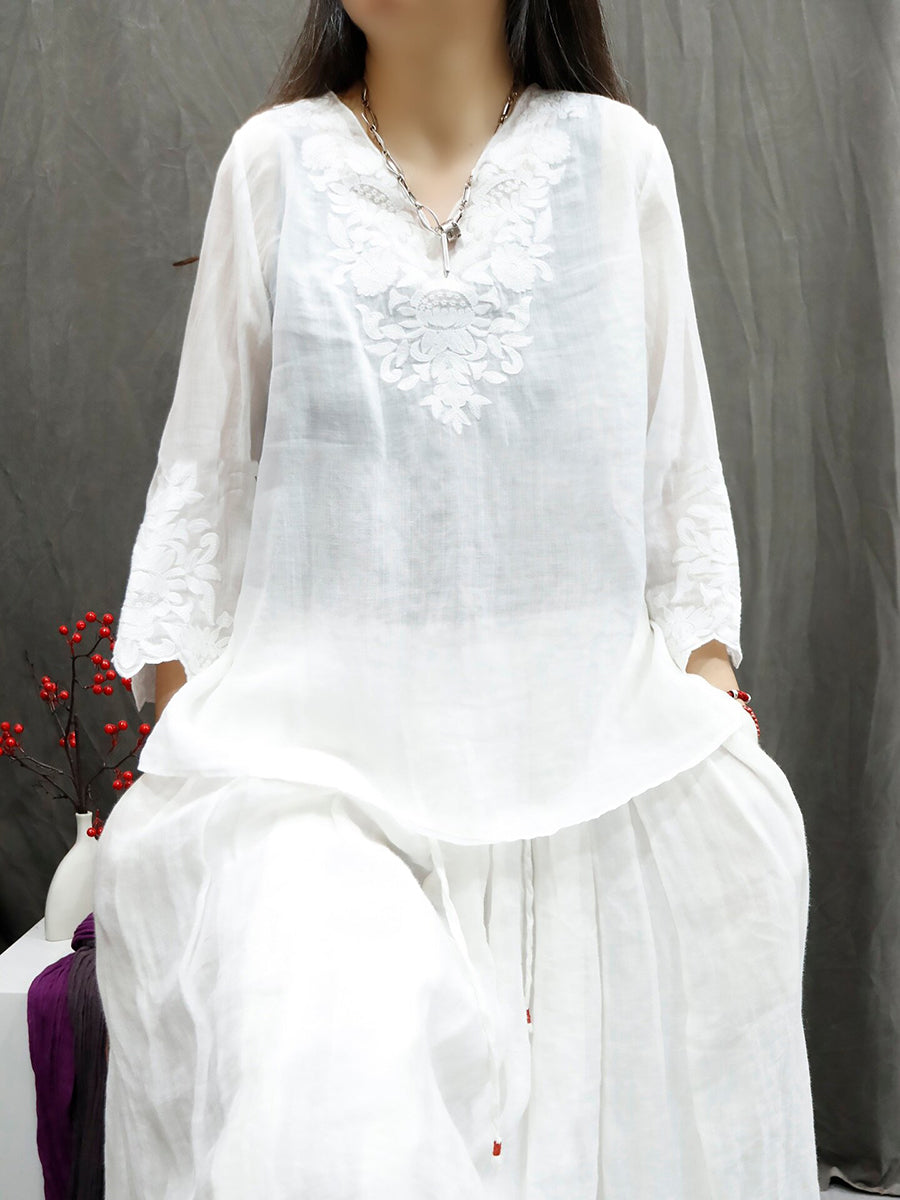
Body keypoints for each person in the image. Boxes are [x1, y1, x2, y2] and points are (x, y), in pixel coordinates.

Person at [92, 0, 821, 1196]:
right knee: (331, 1079)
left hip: (586, 748)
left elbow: (675, 470)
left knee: (730, 876)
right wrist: (191, 739)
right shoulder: (274, 165)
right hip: (311, 766)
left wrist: (708, 680)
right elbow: (205, 488)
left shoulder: (617, 162)